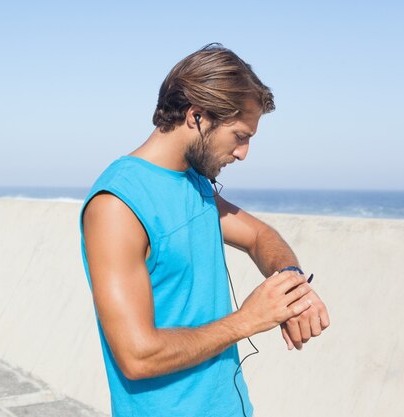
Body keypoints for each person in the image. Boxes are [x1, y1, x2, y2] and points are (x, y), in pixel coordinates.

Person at [79, 43, 330, 417]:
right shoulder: (118, 205)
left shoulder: (192, 182)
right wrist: (248, 320)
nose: (243, 153)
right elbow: (136, 355)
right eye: (240, 136)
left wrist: (293, 287)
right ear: (197, 116)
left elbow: (261, 236)